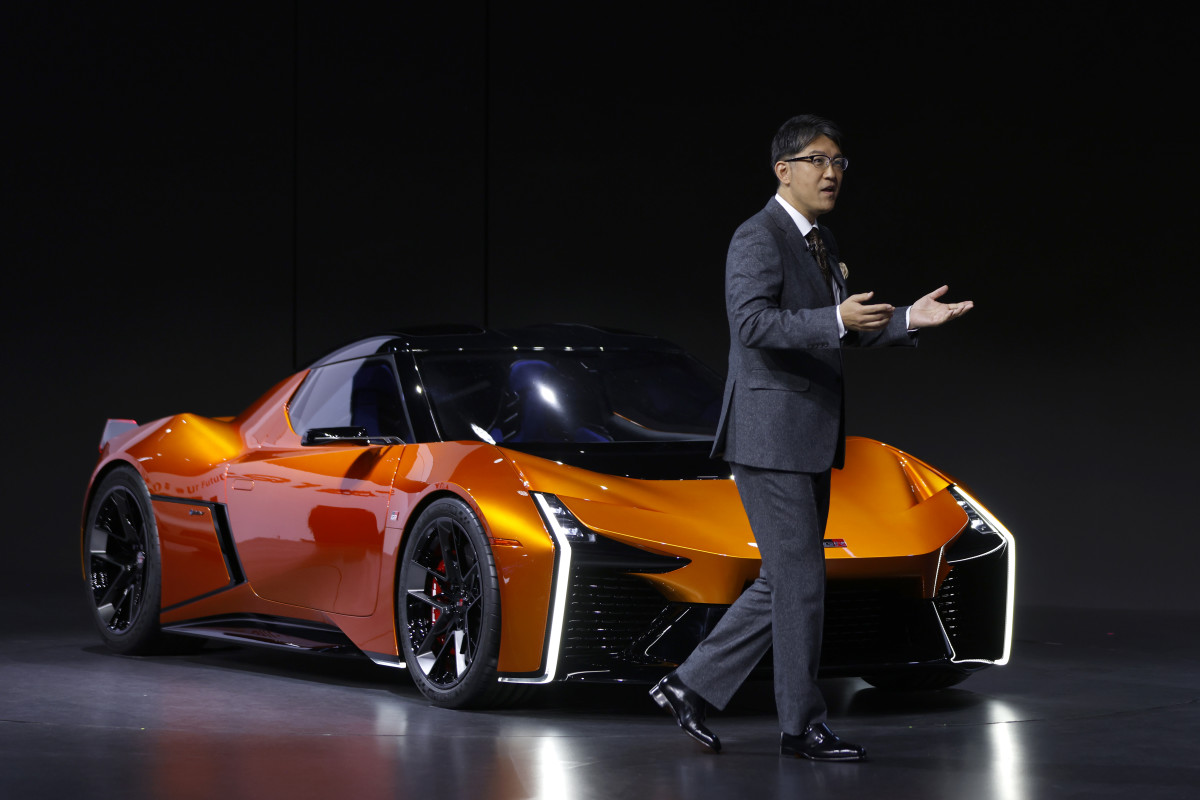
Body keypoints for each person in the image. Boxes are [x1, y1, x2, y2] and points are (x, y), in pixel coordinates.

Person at [649, 114, 973, 761]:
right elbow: (752, 323)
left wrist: (909, 318)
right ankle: (800, 726)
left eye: (839, 162)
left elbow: (845, 326)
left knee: (789, 580)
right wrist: (834, 318)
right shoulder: (758, 236)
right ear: (784, 170)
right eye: (818, 160)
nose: (832, 173)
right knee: (799, 582)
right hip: (770, 434)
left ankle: (688, 686)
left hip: (806, 434)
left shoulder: (819, 240)